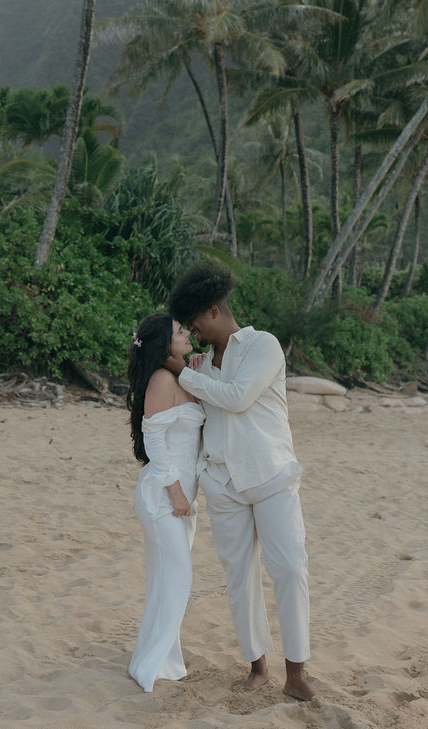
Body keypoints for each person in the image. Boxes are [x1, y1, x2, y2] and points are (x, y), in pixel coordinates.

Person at [163, 265, 315, 701]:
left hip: (271, 475)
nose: (192, 329)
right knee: (239, 577)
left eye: (195, 319)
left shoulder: (262, 345)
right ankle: (257, 667)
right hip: (222, 481)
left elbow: (237, 397)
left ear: (214, 310)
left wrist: (182, 371)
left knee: (290, 568)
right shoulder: (201, 364)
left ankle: (296, 673)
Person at [126, 313, 205, 692]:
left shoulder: (182, 376)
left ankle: (163, 661)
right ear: (164, 343)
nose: (187, 333)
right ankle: (152, 664)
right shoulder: (161, 379)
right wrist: (175, 492)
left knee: (166, 578)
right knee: (177, 577)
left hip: (182, 497)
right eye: (179, 331)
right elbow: (154, 439)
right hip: (163, 495)